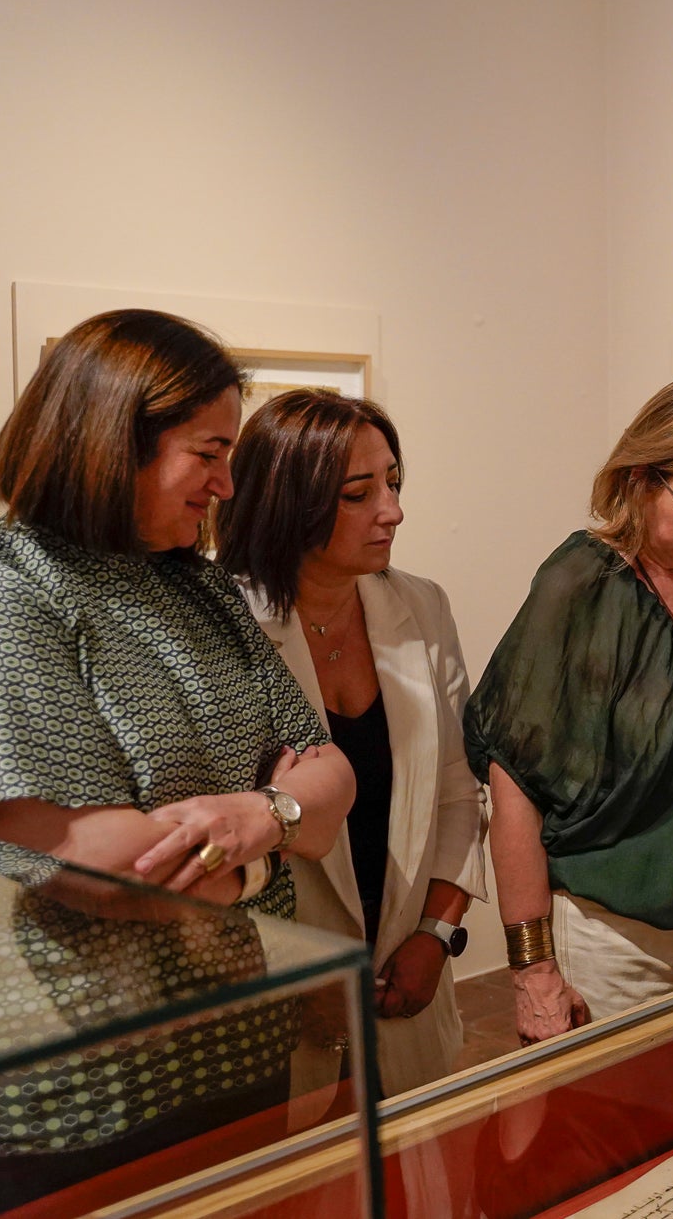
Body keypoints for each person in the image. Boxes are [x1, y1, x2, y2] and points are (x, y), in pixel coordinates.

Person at [0, 308, 356, 1215]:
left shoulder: (196, 585)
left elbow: (330, 772)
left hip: (222, 1053)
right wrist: (273, 836)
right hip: (56, 1099)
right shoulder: (0, 596)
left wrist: (264, 815)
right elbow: (115, 872)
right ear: (111, 442)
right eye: (208, 452)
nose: (227, 484)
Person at [466, 378, 673, 1043]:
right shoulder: (584, 583)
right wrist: (531, 967)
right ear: (642, 477)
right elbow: (515, 778)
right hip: (621, 941)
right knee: (630, 1107)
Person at [218, 389, 490, 1097]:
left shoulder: (420, 605)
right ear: (288, 502)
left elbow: (458, 788)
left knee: (417, 1157)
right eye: (358, 493)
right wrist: (290, 980)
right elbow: (215, 839)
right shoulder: (224, 624)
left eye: (394, 483)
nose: (392, 511)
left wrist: (436, 934)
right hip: (276, 1002)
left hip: (408, 976)